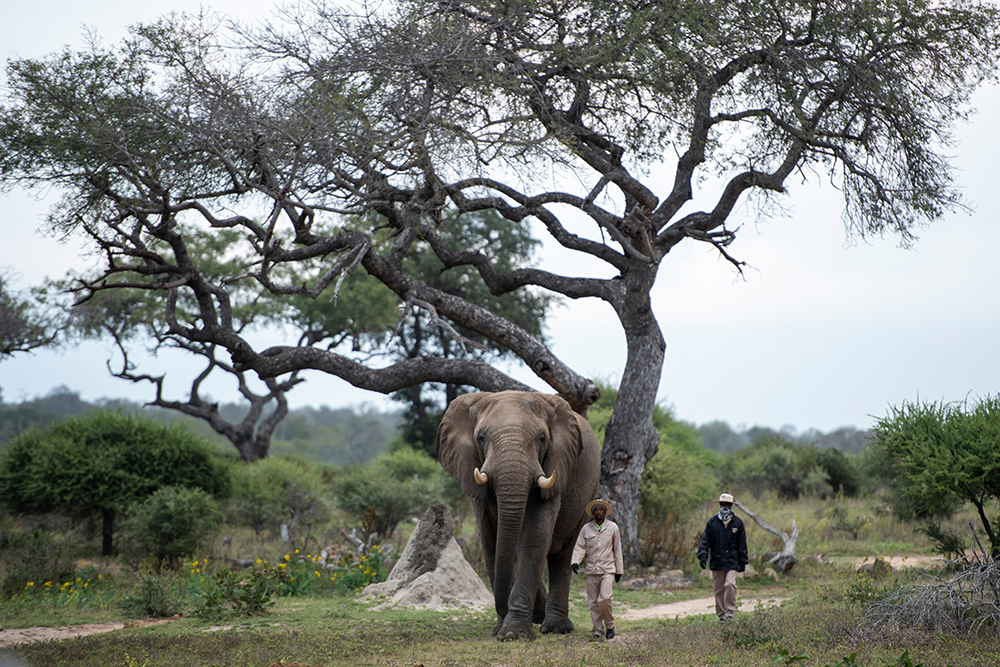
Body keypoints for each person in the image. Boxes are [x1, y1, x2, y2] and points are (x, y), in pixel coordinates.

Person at [571, 498, 624, 640]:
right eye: (596, 510)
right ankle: (597, 630)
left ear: (605, 512)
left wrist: (619, 571)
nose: (598, 512)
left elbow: (617, 550)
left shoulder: (613, 527)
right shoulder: (586, 529)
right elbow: (580, 547)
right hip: (591, 570)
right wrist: (576, 562)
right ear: (593, 513)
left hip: (607, 569)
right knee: (593, 602)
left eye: (601, 510)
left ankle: (610, 625)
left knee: (605, 598)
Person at [697, 492, 749, 622]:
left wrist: (743, 561)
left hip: (732, 561)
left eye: (727, 504)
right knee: (718, 589)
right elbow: (705, 541)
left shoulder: (738, 523)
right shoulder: (712, 523)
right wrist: (703, 555)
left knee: (730, 585)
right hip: (717, 561)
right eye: (722, 504)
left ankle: (730, 614)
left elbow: (742, 543)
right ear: (719, 505)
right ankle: (722, 616)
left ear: (731, 506)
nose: (724, 506)